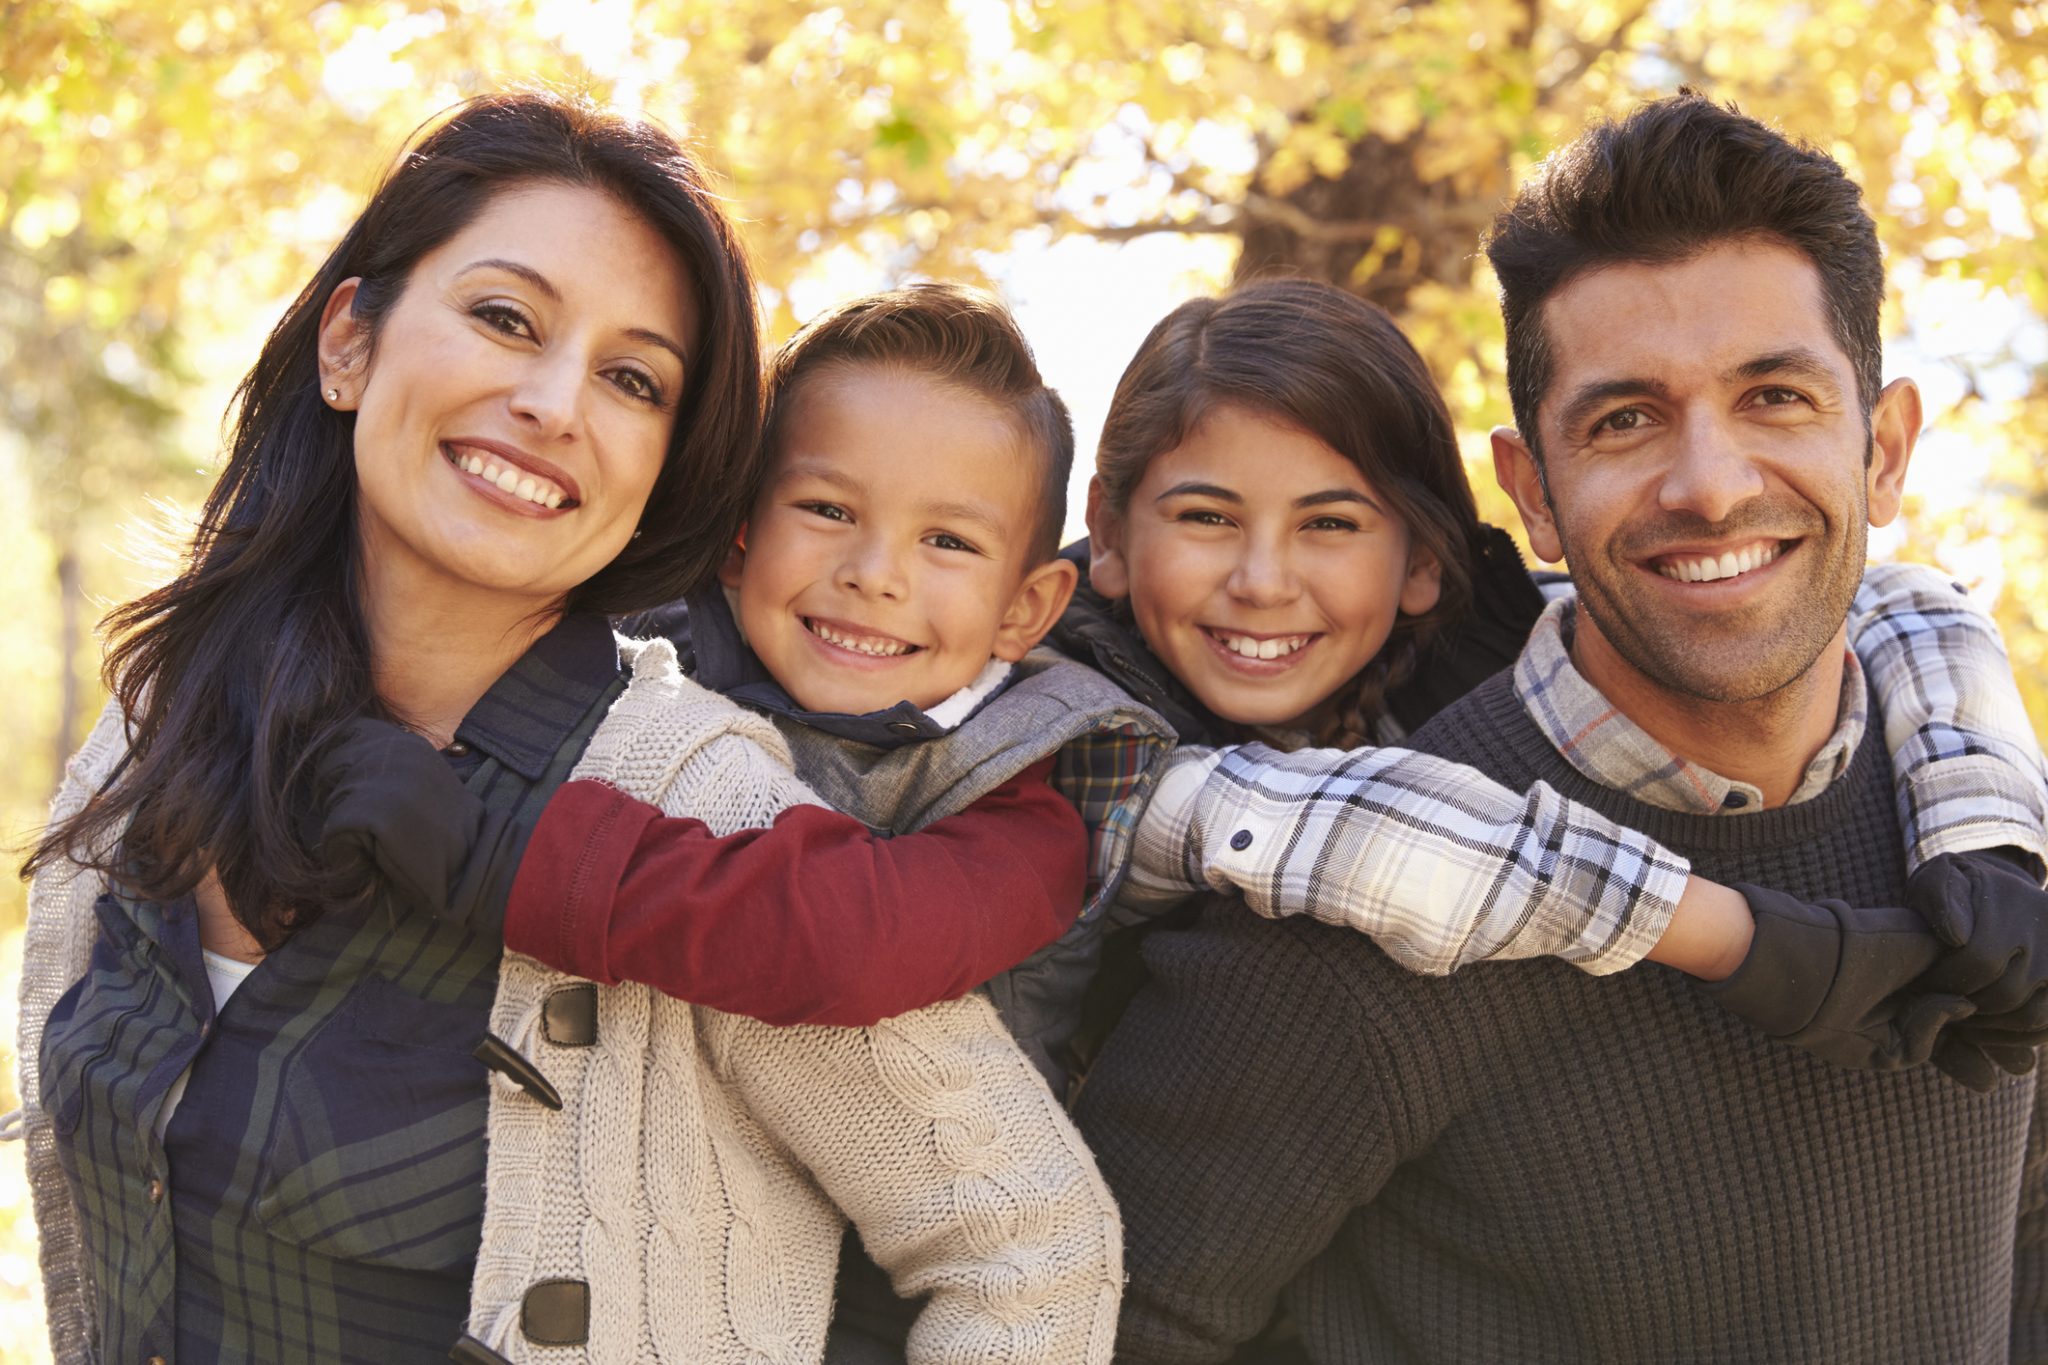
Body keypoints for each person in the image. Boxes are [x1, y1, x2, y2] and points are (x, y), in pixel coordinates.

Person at [15, 94, 1114, 1365]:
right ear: (348, 344)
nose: (552, 403)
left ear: (665, 467)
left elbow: (1029, 1254)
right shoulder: (161, 716)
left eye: (631, 379)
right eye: (504, 318)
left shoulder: (695, 808)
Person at [1072, 94, 2048, 1362]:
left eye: (1772, 397)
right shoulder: (1345, 928)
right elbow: (1098, 1327)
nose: (1708, 484)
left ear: (1884, 449)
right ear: (1529, 492)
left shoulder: (1983, 842)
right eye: (1624, 420)